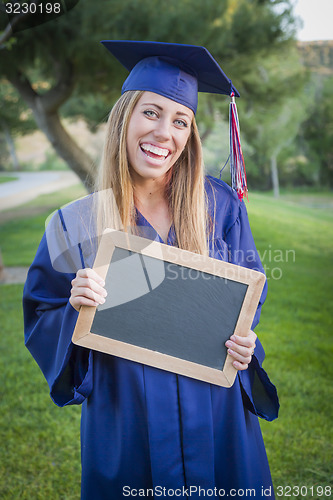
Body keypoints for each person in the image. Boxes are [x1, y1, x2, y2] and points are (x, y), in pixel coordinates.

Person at [23, 41, 279, 499]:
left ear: (190, 136)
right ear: (124, 118)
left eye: (180, 121)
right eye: (151, 113)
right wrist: (75, 309)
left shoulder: (219, 207)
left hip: (216, 413)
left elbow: (247, 295)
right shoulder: (74, 223)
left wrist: (243, 341)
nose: (164, 132)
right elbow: (43, 314)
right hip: (128, 417)